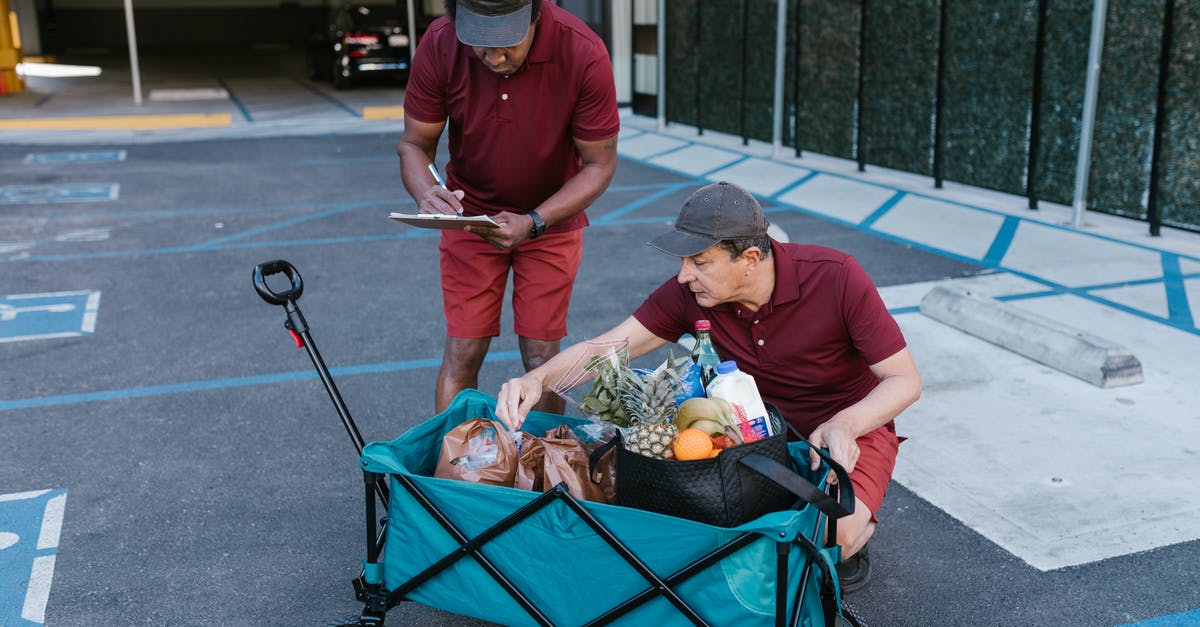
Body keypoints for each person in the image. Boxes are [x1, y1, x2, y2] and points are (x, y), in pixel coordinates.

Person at [495, 181, 921, 594]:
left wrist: (846, 424)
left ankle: (855, 534)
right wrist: (537, 378)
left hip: (847, 429)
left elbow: (904, 380)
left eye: (699, 262)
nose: (683, 276)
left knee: (834, 538)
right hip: (749, 431)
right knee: (700, 526)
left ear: (750, 257)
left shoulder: (837, 277)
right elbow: (609, 346)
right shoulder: (695, 294)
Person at [397, 0, 620, 413]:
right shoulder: (441, 42)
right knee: (463, 351)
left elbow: (599, 165)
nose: (494, 58)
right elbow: (414, 144)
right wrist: (426, 193)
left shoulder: (582, 51)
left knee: (542, 358)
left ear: (536, 14)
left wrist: (535, 221)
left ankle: (542, 464)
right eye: (481, 45)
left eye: (507, 44)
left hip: (550, 222)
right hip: (471, 219)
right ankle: (454, 466)